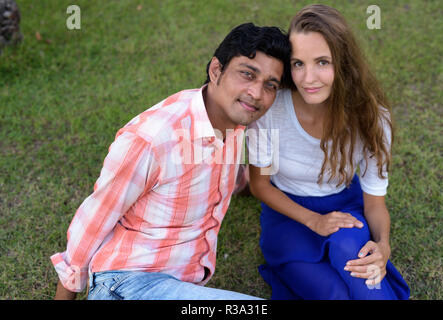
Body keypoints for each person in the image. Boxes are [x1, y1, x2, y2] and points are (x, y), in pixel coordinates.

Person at [51, 22, 290, 300]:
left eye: (270, 85)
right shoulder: (153, 139)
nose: (257, 93)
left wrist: (270, 184)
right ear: (216, 71)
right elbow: (94, 218)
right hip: (126, 283)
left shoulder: (235, 124)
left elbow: (219, 175)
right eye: (247, 75)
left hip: (176, 286)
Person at [247, 5, 410, 300]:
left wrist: (383, 246)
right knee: (334, 294)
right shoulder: (271, 109)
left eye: (322, 62)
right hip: (289, 217)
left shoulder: (372, 118)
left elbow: (374, 203)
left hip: (345, 208)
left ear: (344, 62)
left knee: (361, 270)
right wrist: (313, 220)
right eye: (298, 64)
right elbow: (259, 185)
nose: (308, 78)